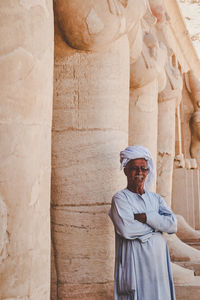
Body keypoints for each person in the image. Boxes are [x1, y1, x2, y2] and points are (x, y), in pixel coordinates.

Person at [109, 145, 177, 300]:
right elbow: (127, 229)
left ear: (148, 171)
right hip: (136, 265)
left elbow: (172, 225)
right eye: (134, 168)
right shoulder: (120, 198)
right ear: (126, 170)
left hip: (159, 266)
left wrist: (147, 217)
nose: (140, 173)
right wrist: (157, 228)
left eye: (143, 168)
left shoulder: (156, 199)